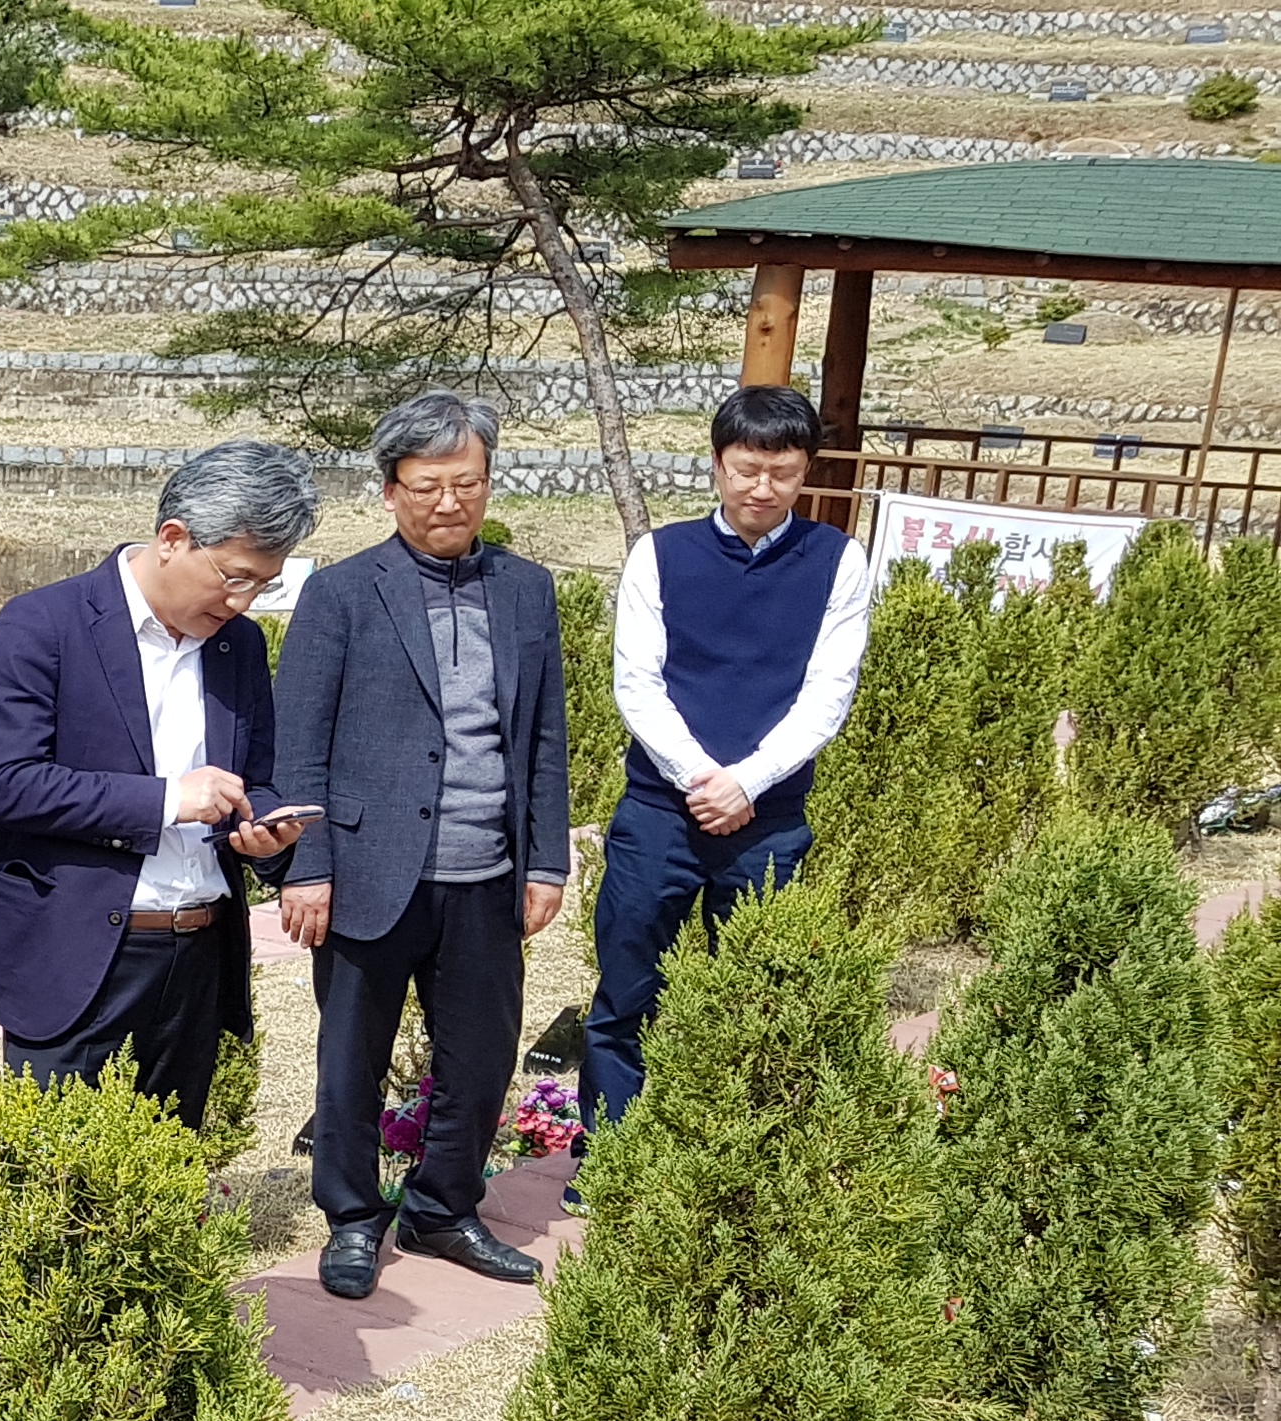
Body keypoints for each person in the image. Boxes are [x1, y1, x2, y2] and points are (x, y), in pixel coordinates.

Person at [271, 393, 574, 1300]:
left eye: (467, 483)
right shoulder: (342, 592)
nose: (449, 503)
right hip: (368, 870)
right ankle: (354, 1219)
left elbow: (545, 734)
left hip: (488, 869)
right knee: (350, 1059)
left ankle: (444, 1209)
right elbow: (299, 741)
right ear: (391, 490)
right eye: (427, 486)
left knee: (482, 1058)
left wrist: (547, 858)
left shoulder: (524, 589)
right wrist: (308, 865)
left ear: (488, 483)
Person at [0, 439, 315, 1132]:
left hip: (198, 954)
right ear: (173, 538)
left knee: (167, 1182)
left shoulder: (239, 646)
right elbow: (6, 783)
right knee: (56, 1185)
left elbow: (252, 780)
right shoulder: (45, 622)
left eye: (263, 586)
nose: (243, 601)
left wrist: (267, 831)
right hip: (77, 956)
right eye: (234, 576)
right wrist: (170, 800)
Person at [576, 384, 872, 1174]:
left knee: (761, 997)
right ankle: (613, 1162)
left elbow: (827, 695)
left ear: (805, 470)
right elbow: (637, 682)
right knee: (627, 995)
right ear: (716, 465)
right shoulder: (660, 554)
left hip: (770, 819)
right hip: (658, 815)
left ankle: (745, 1168)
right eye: (746, 468)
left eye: (781, 471)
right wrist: (704, 778)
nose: (762, 488)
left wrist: (748, 782)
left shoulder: (838, 561)